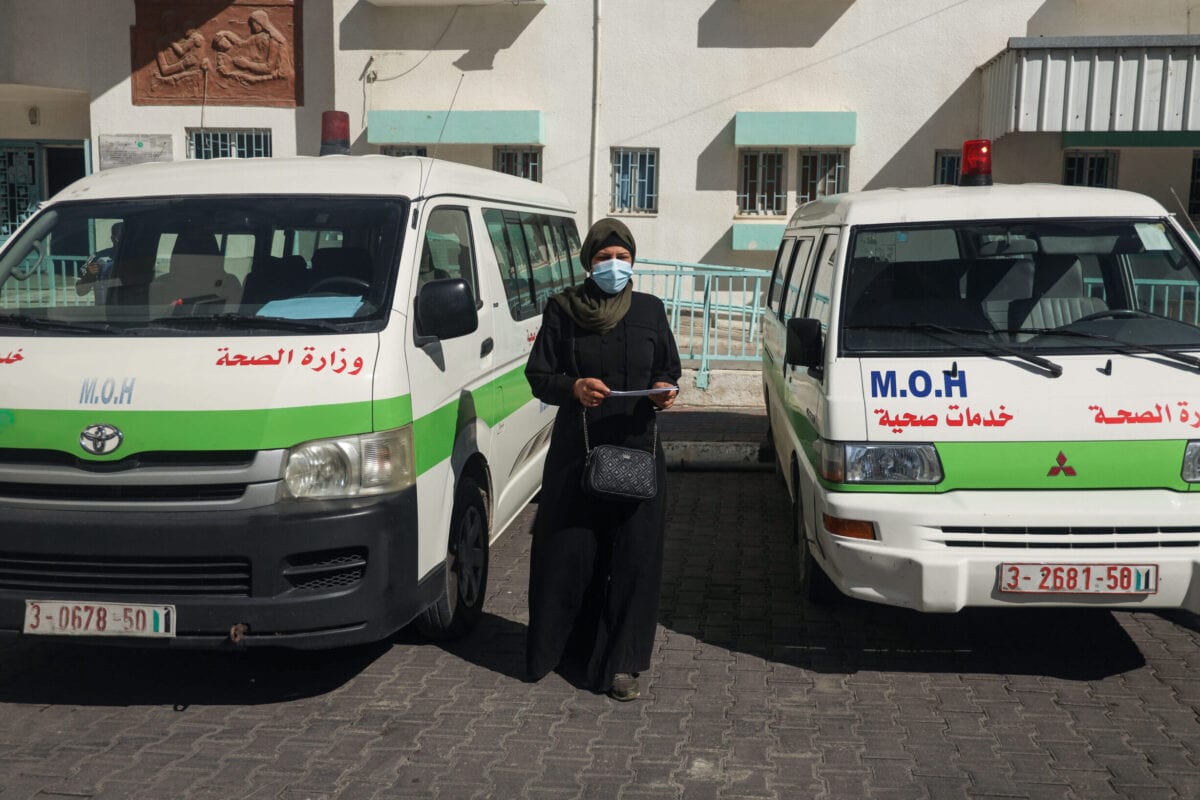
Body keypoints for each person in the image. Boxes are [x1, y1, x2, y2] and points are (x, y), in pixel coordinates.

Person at [524, 218, 681, 701]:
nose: (614, 266)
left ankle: (621, 664)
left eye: (622, 257)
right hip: (579, 453)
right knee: (571, 552)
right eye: (603, 258)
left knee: (632, 560)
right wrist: (572, 386)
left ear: (633, 260)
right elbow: (539, 375)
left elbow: (669, 370)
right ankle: (562, 650)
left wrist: (665, 391)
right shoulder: (562, 310)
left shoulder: (651, 311)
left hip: (637, 451)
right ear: (587, 262)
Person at [75, 222, 122, 304]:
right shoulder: (96, 257)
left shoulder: (141, 257)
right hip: (104, 311)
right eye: (120, 238)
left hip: (133, 311)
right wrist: (89, 276)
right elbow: (80, 291)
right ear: (113, 239)